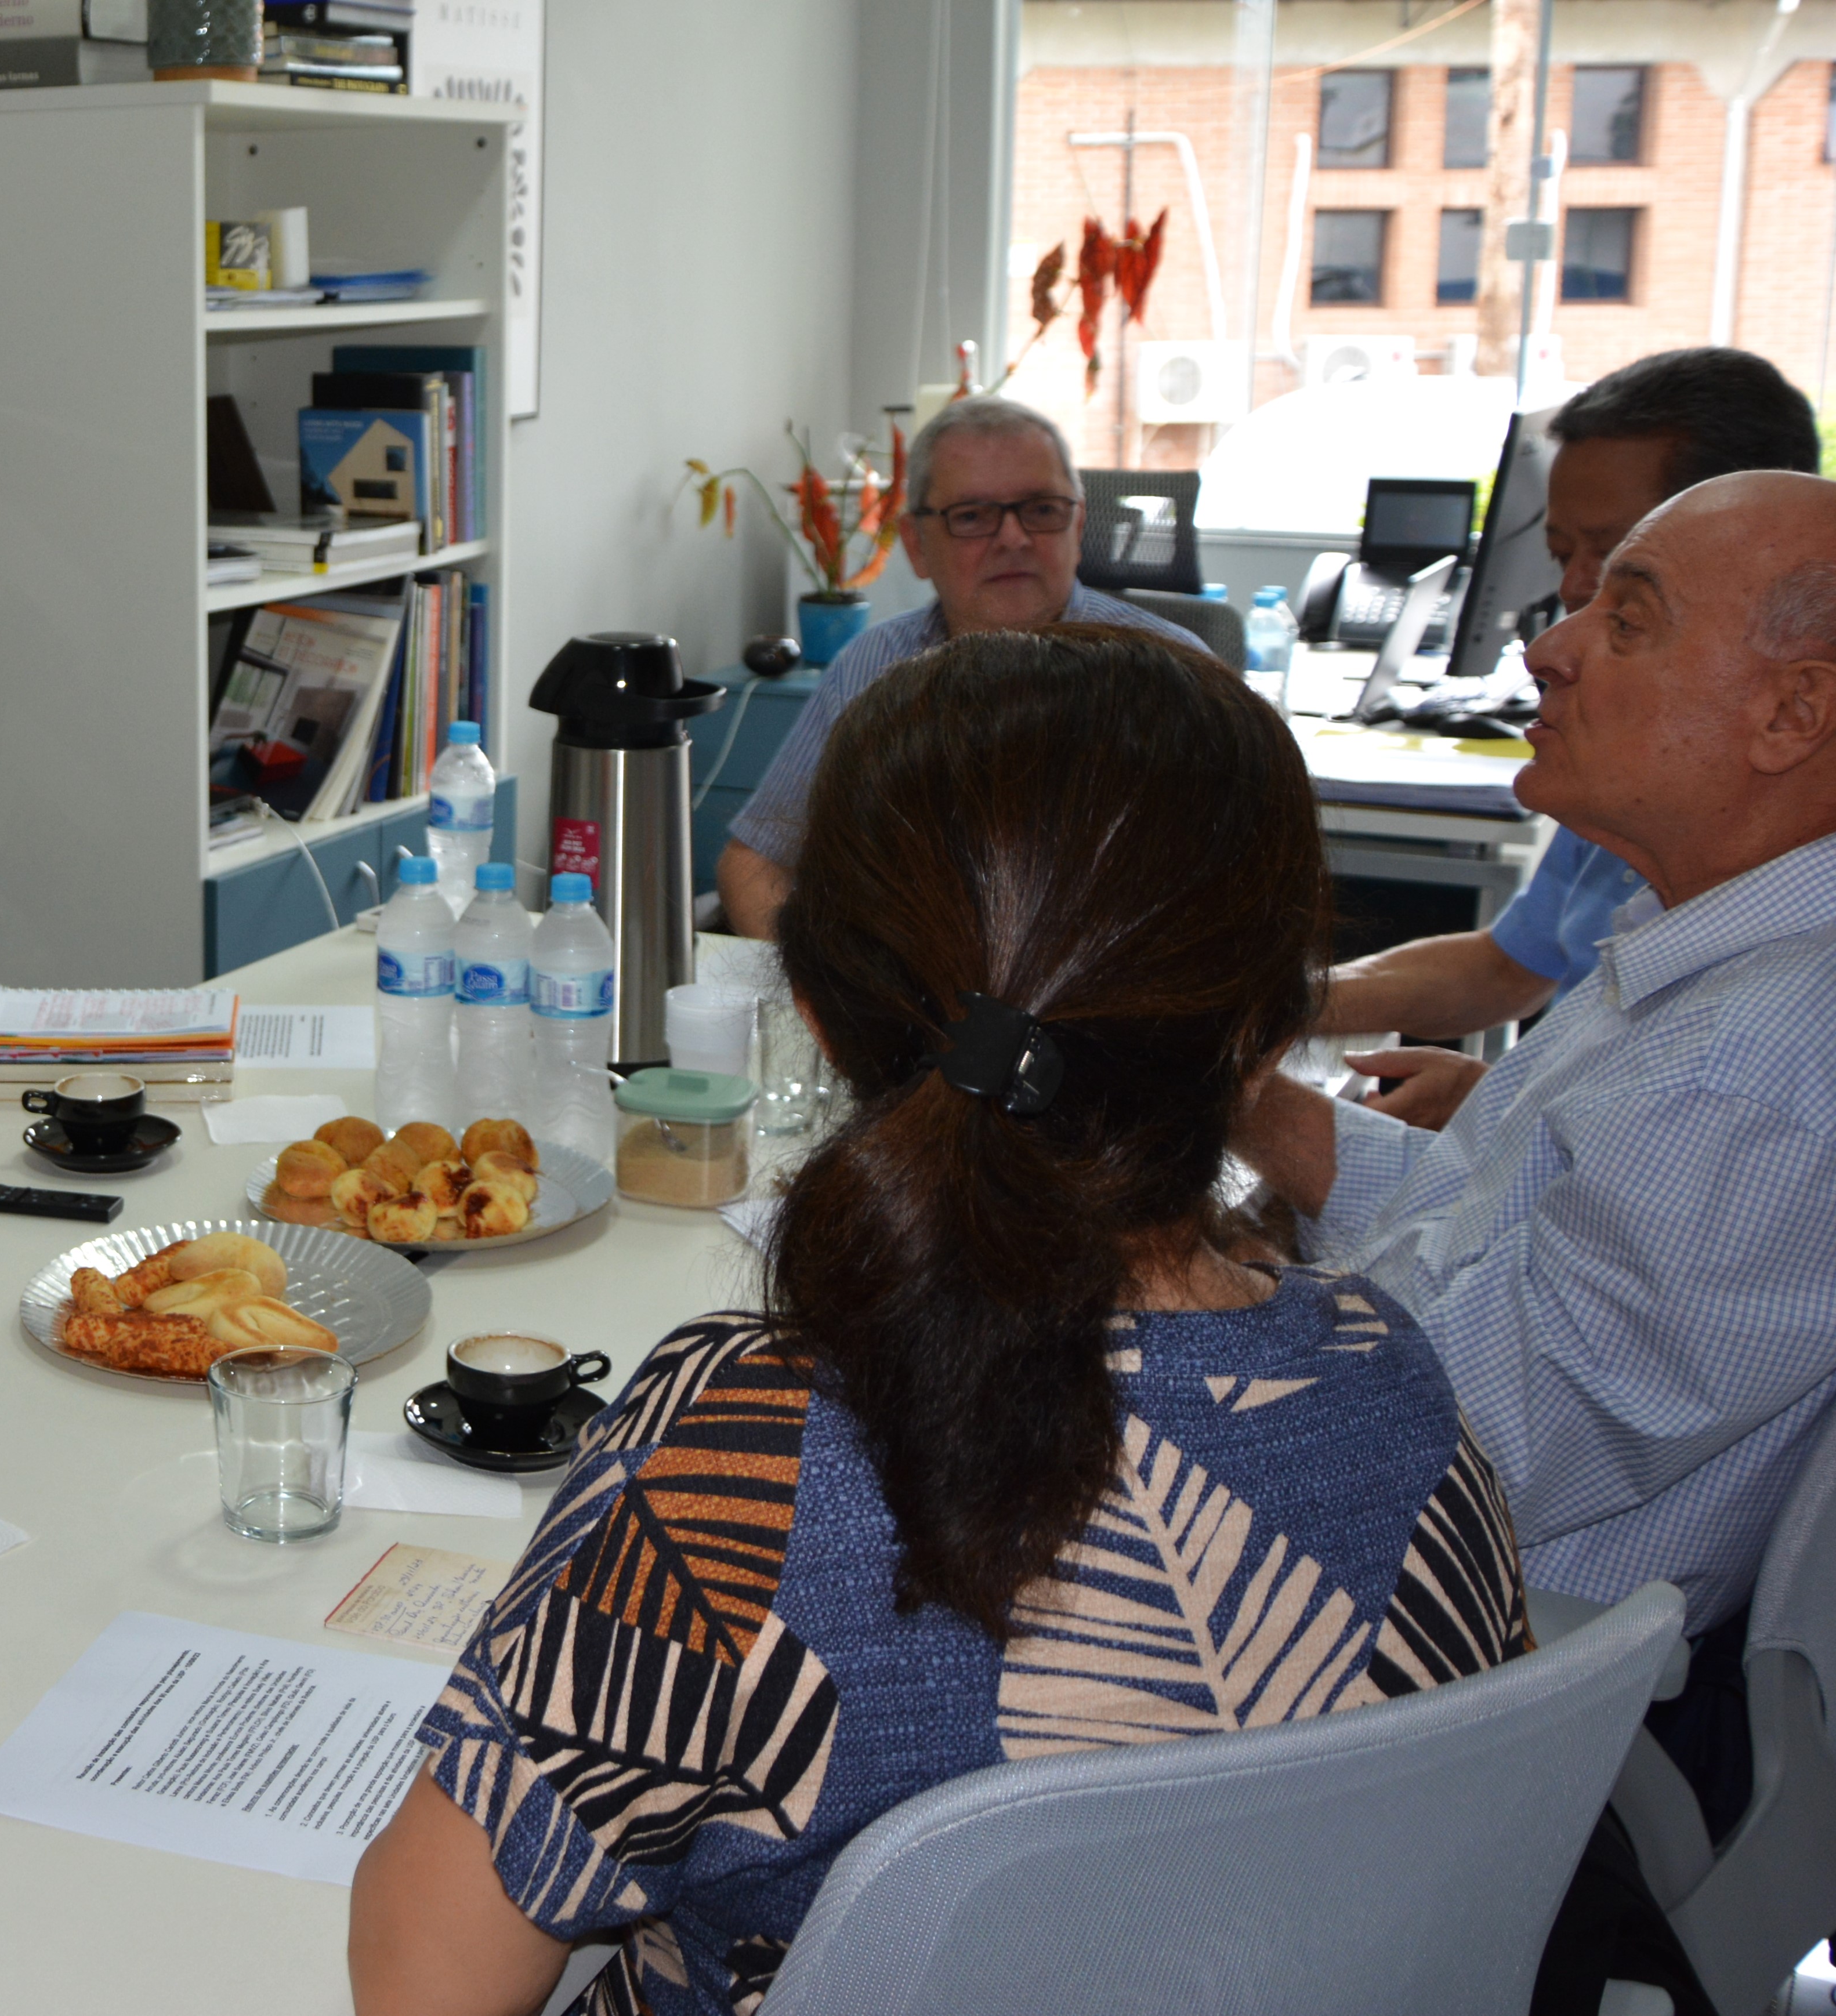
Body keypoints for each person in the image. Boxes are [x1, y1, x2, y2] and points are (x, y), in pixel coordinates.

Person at [353, 629, 1525, 2016]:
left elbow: (423, 1981)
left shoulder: (742, 1454)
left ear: (812, 1008)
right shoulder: (1396, 1384)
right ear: (1270, 1032)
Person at [1237, 469, 1836, 1845]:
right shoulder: (1697, 960)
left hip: (1443, 1688)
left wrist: (1159, 1325)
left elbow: (1453, 1447)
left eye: (1626, 621)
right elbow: (1480, 1219)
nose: (1547, 645)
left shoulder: (1755, 1068)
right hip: (1423, 1586)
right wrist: (1238, 1099)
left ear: (1790, 714)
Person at [1319, 348, 1821, 1130]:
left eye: (1624, 572)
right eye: (1566, 557)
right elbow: (1511, 966)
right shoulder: (1651, 784)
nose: (1574, 595)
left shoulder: (1759, 1043)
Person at [712, 395, 1203, 938]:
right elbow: (756, 862)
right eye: (972, 517)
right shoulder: (870, 667)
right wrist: (812, 1003)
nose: (1014, 538)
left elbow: (1239, 892)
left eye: (1041, 510)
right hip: (902, 998)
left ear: (1079, 526)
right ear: (918, 546)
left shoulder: (1173, 673)